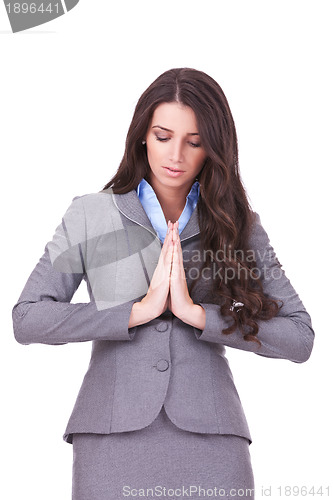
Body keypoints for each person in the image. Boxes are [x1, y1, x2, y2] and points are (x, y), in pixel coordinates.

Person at [12, 67, 315, 500]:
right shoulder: (89, 215)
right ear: (141, 135)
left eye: (194, 143)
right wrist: (137, 312)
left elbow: (300, 336)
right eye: (162, 136)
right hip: (111, 439)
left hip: (212, 443)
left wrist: (198, 314)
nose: (176, 155)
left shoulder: (238, 226)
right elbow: (28, 318)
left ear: (214, 148)